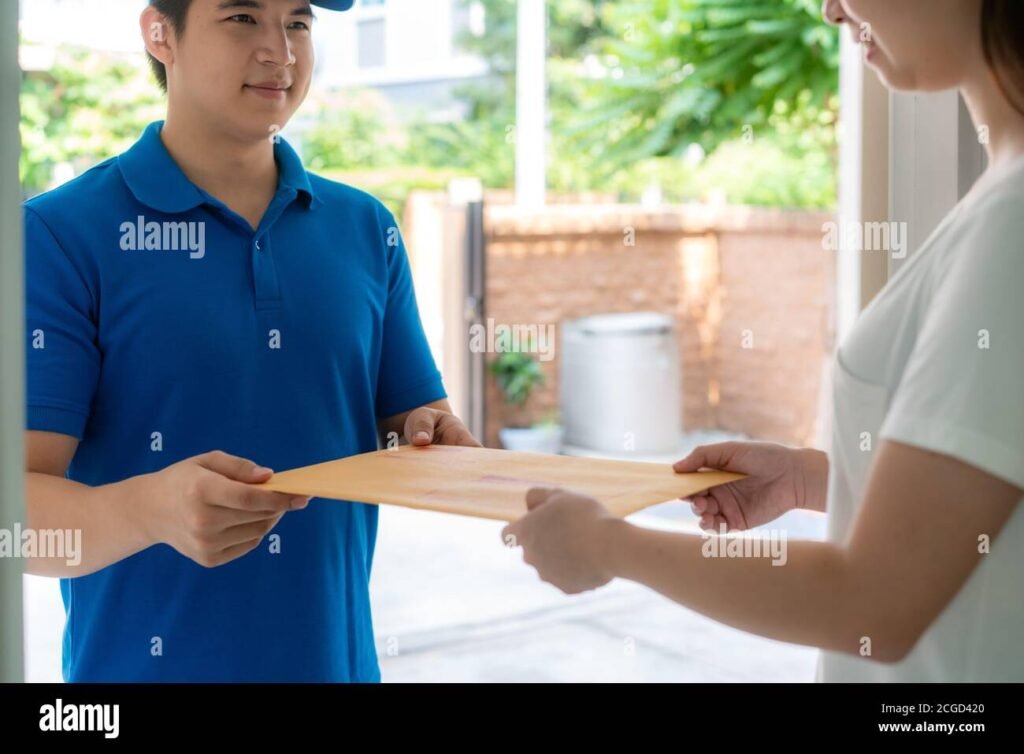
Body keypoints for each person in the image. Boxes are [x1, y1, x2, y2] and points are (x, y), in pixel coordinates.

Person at [503, 0, 1024, 682]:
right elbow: (972, 505)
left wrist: (608, 546)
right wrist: (808, 479)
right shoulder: (998, 199)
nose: (831, 10)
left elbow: (874, 602)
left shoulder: (1011, 222)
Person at [24, 0, 478, 682]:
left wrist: (427, 438)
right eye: (242, 17)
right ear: (160, 34)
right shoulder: (59, 235)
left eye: (297, 22)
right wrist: (148, 510)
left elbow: (407, 429)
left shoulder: (365, 228)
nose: (281, 51)